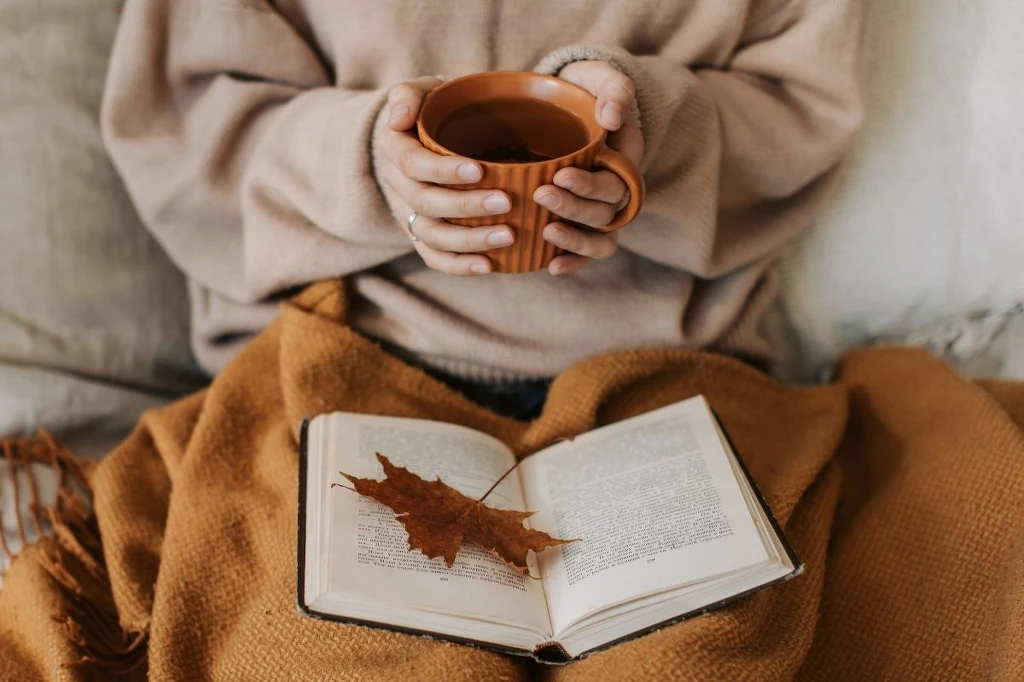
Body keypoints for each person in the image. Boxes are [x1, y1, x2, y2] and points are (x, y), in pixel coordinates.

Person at [102, 0, 863, 419]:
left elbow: (801, 107)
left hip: (669, 374)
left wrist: (652, 134)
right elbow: (185, 129)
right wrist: (369, 161)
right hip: (342, 357)